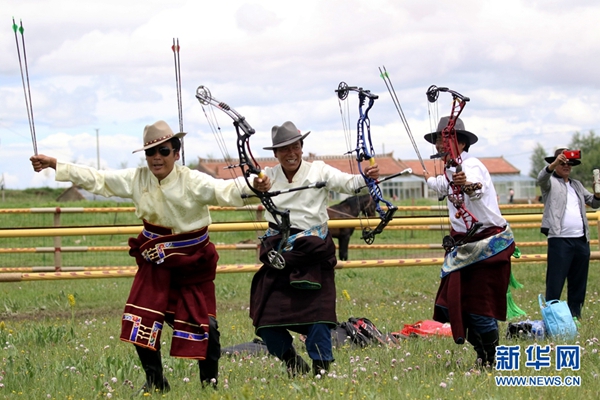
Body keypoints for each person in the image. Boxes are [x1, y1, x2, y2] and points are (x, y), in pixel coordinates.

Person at [30, 120, 258, 393]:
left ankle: (209, 387)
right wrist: (56, 163)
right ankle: (156, 383)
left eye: (163, 151)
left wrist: (257, 185)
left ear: (177, 152)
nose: (157, 158)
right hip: (155, 263)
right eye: (151, 153)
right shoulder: (137, 178)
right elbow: (99, 179)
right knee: (140, 324)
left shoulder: (193, 180)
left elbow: (225, 190)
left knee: (206, 327)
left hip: (192, 263)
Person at [250, 121, 379, 377]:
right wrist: (256, 185)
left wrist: (367, 176)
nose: (291, 153)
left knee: (319, 318)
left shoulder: (318, 170)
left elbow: (348, 183)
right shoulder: (267, 177)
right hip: (280, 252)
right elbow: (247, 188)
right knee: (266, 322)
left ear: (301, 146)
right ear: (275, 153)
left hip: (313, 252)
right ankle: (292, 363)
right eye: (284, 149)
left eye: (295, 146)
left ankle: (322, 370)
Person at [423, 116, 515, 367]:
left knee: (479, 307)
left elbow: (476, 186)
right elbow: (440, 184)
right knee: (450, 306)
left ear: (461, 143)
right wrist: (425, 177)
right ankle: (482, 355)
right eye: (440, 142)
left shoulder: (471, 165)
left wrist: (468, 185)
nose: (442, 147)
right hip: (463, 247)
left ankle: (492, 359)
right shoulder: (450, 170)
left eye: (448, 140)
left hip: (487, 246)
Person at [537, 146, 600, 322]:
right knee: (555, 282)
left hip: (581, 240)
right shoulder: (550, 183)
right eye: (563, 162)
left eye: (569, 163)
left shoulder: (577, 185)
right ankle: (553, 318)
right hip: (560, 239)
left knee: (578, 283)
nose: (566, 166)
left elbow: (594, 203)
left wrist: (598, 193)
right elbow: (541, 178)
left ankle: (575, 317)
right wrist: (555, 162)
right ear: (555, 163)